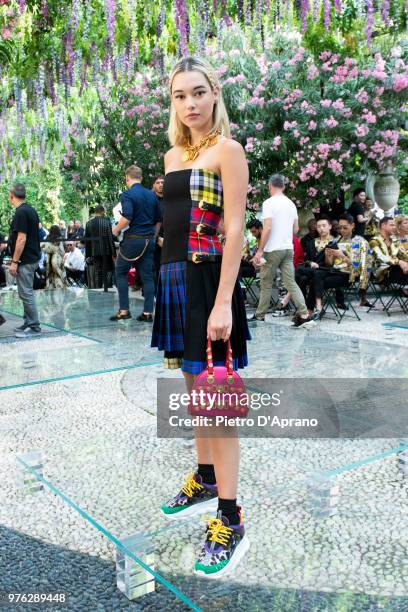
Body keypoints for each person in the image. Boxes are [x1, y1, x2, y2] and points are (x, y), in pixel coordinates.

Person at [151, 56, 250, 578]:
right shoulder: (172, 156)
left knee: (218, 406)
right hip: (175, 282)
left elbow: (234, 230)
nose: (189, 104)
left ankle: (230, 517)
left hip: (210, 283)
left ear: (214, 94)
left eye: (197, 93)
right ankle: (205, 475)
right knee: (195, 398)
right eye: (179, 96)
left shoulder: (228, 151)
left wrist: (221, 303)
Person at [251, 174, 314, 327]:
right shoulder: (291, 204)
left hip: (273, 249)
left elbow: (267, 228)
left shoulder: (269, 203)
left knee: (266, 282)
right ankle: (304, 313)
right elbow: (296, 229)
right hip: (288, 248)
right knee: (290, 282)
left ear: (270, 186)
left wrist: (260, 251)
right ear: (284, 187)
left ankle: (260, 315)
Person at [111, 165, 161, 321]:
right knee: (147, 277)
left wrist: (114, 230)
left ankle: (124, 310)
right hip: (149, 240)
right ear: (141, 177)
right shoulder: (152, 195)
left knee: (120, 272)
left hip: (133, 240)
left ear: (127, 178)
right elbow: (159, 219)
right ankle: (148, 313)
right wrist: (153, 236)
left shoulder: (127, 194)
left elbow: (127, 218)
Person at [311, 213, 372, 316]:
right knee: (314, 276)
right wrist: (328, 256)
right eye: (340, 228)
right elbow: (329, 264)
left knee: (315, 281)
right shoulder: (336, 241)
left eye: (345, 228)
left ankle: (313, 310)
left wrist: (342, 256)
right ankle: (314, 309)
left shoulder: (360, 242)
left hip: (350, 275)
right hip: (335, 271)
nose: (342, 230)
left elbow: (362, 268)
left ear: (352, 226)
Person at [8, 183, 42, 337]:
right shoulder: (31, 210)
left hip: (26, 260)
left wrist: (14, 262)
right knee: (24, 292)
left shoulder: (21, 212)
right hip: (32, 257)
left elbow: (21, 239)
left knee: (26, 293)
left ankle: (34, 327)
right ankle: (28, 322)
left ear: (11, 195)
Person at [84, 205, 116, 288]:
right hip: (107, 251)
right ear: (102, 212)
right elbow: (110, 238)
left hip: (95, 252)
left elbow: (87, 241)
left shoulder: (88, 223)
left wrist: (87, 255)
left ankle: (98, 289)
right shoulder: (106, 222)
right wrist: (114, 253)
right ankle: (107, 288)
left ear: (95, 212)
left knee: (98, 271)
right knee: (108, 270)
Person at [370, 217, 408, 284]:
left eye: (394, 225)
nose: (394, 227)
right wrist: (399, 262)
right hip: (381, 273)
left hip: (395, 269)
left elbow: (404, 255)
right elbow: (381, 258)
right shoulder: (374, 241)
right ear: (383, 226)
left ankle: (405, 290)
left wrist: (405, 263)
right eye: (392, 225)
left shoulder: (394, 241)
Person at [152, 175, 165, 289]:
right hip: (155, 240)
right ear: (154, 185)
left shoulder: (171, 200)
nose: (161, 184)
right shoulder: (150, 200)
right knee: (156, 269)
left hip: (170, 240)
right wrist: (157, 239)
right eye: (158, 182)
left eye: (162, 182)